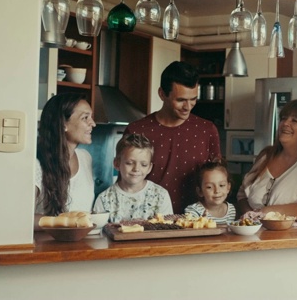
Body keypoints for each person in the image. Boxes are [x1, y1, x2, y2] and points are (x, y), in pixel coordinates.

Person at [124, 61, 221, 213]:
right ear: (162, 94)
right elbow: (125, 184)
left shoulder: (207, 130)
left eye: (193, 99)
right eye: (181, 100)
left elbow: (218, 179)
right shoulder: (137, 130)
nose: (188, 107)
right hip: (149, 221)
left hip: (197, 223)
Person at [237, 99, 297, 221]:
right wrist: (251, 217)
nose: (285, 123)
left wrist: (265, 212)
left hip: (295, 237)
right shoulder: (267, 155)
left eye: (294, 120)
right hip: (255, 235)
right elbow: (242, 195)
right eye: (283, 118)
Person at [34, 93, 96, 224]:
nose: (93, 124)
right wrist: (67, 223)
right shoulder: (36, 165)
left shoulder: (85, 158)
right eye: (85, 118)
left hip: (82, 242)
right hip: (47, 243)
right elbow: (23, 218)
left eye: (91, 117)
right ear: (63, 124)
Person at [93, 133, 173, 222]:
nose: (136, 169)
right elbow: (98, 233)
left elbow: (167, 231)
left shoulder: (161, 196)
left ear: (149, 168)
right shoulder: (104, 199)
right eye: (129, 163)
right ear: (116, 163)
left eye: (144, 164)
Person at [184, 159, 237, 224]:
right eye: (209, 187)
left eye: (221, 185)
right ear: (200, 191)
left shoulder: (231, 209)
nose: (217, 191)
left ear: (228, 188)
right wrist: (200, 222)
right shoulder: (193, 211)